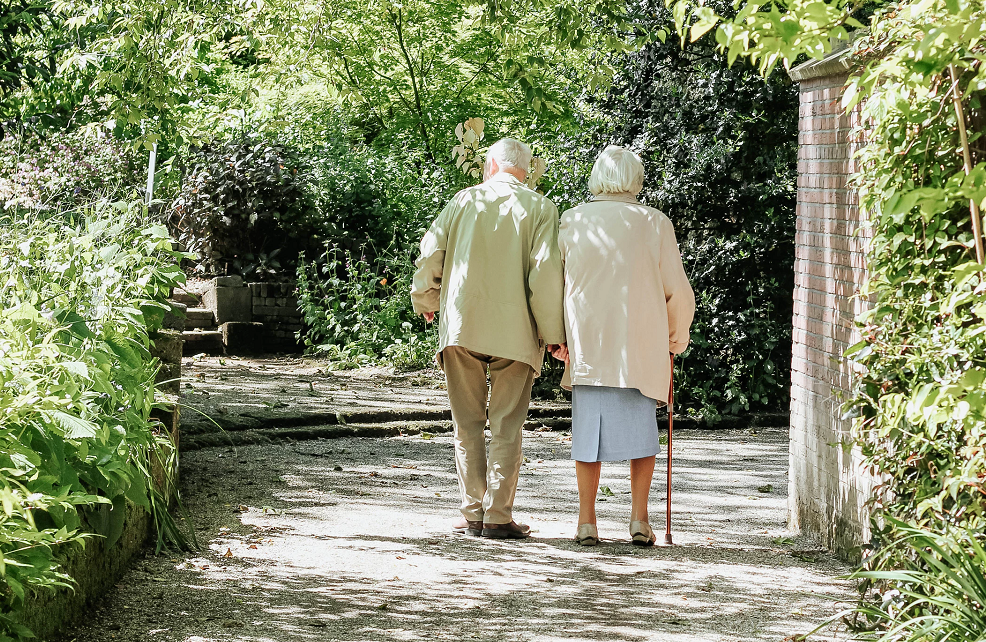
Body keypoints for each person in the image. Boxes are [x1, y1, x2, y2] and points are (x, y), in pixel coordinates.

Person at [411, 138, 566, 540]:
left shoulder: (463, 201)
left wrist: (425, 298)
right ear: (526, 171)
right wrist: (554, 335)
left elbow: (430, 254)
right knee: (507, 425)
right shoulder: (541, 208)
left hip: (463, 325)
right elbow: (545, 275)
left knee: (466, 424)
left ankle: (472, 513)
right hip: (516, 331)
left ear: (491, 165)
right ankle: (497, 515)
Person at [551, 145, 695, 547]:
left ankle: (586, 521)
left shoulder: (573, 219)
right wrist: (675, 339)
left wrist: (556, 337)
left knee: (587, 437)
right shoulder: (655, 223)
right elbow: (678, 291)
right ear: (636, 179)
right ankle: (639, 519)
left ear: (598, 177)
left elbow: (554, 284)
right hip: (640, 346)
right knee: (643, 436)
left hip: (589, 344)